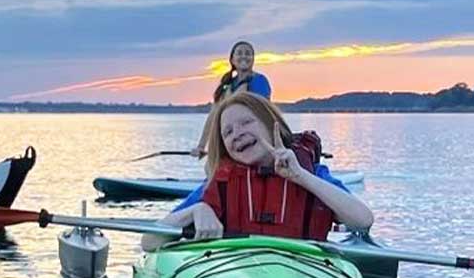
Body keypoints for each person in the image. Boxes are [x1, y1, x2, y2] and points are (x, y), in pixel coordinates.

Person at [141, 93, 372, 250]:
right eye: (228, 132)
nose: (237, 134)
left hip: (303, 276)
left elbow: (363, 221)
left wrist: (301, 177)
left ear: (272, 126)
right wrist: (195, 211)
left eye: (246, 123)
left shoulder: (312, 174)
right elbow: (149, 241)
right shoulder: (220, 184)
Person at [192, 41, 272, 157]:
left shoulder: (259, 81)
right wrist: (201, 146)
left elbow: (264, 113)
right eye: (239, 53)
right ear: (232, 60)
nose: (244, 56)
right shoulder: (227, 85)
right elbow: (213, 116)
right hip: (230, 141)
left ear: (253, 59)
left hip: (252, 142)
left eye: (248, 53)